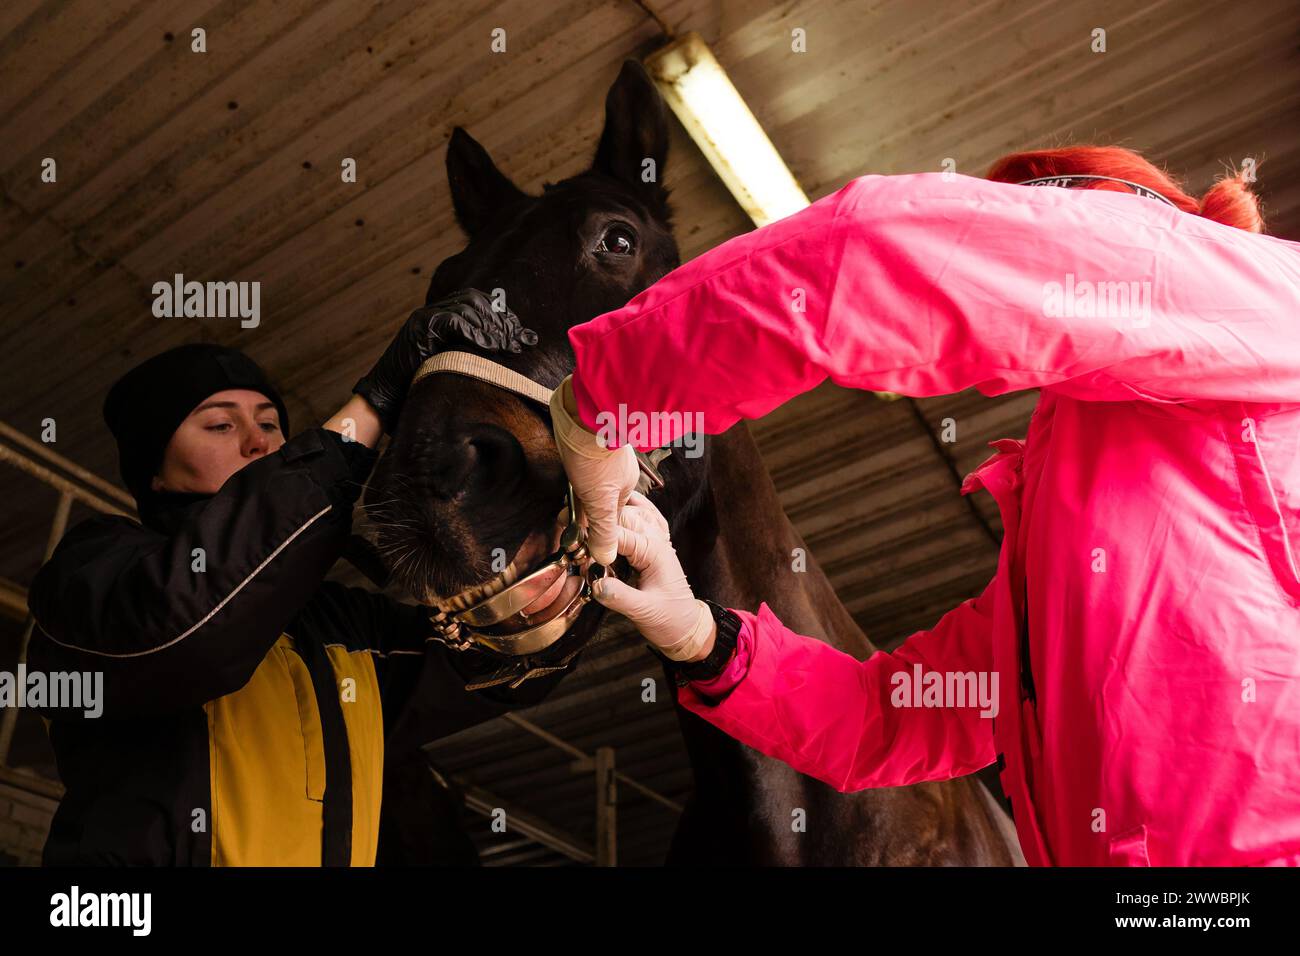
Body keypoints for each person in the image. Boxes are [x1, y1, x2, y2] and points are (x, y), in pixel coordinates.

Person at [548, 146, 1300, 866]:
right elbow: (892, 716)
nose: (1018, 251)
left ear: (1115, 218)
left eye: (1029, 224)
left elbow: (876, 250)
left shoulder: (1244, 289)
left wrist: (605, 398)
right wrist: (703, 642)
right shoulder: (1059, 570)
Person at [26, 290, 560, 866]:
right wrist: (373, 404)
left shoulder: (349, 625)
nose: (259, 441)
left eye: (270, 423)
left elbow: (500, 659)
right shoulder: (94, 571)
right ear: (154, 471)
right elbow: (190, 627)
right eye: (219, 425)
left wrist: (586, 550)